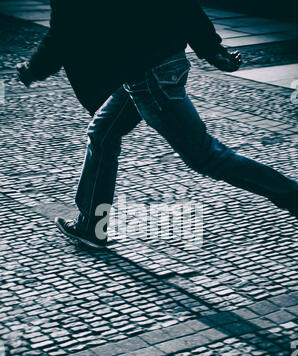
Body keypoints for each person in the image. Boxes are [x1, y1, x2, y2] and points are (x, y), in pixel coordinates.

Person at [17, 0, 298, 249]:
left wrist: (33, 69)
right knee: (102, 133)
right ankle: (91, 224)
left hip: (145, 74)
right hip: (157, 62)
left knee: (206, 156)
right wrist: (212, 49)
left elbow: (65, 32)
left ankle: (292, 195)